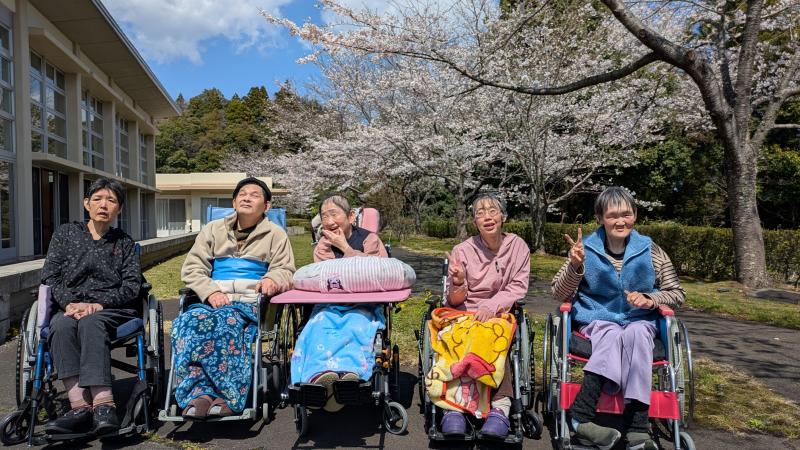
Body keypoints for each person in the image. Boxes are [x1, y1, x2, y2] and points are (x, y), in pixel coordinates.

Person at [552, 187, 685, 450]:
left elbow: (677, 293)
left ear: (635, 215)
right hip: (597, 319)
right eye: (613, 215)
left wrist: (650, 299)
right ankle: (582, 418)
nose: (620, 221)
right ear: (600, 217)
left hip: (639, 321)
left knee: (636, 335)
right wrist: (576, 267)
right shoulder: (585, 249)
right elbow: (559, 293)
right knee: (612, 336)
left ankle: (637, 428)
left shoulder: (651, 250)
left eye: (626, 214)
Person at [174, 177, 295, 419]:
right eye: (242, 194)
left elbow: (285, 269)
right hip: (211, 300)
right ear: (234, 201)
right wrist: (210, 292)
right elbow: (192, 268)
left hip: (249, 303)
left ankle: (228, 395)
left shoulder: (276, 234)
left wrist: (273, 279)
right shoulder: (213, 230)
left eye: (254, 195)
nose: (247, 197)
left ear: (267, 206)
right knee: (187, 322)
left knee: (226, 322)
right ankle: (198, 394)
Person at [42, 178, 142, 435]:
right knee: (62, 325)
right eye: (97, 199)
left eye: (111, 200)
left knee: (91, 322)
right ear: (87, 203)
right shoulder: (65, 234)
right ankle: (79, 406)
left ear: (119, 208)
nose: (103, 205)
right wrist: (70, 303)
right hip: (70, 305)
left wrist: (98, 304)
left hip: (110, 309)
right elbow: (50, 276)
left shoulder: (124, 243)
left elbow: (132, 286)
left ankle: (103, 404)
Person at [440, 193, 530, 439]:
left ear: (503, 216)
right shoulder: (462, 250)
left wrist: (492, 306)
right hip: (466, 312)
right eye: (480, 213)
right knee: (458, 338)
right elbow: (454, 299)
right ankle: (454, 408)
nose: (487, 216)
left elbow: (518, 287)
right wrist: (458, 283)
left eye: (492, 211)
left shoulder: (518, 246)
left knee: (496, 337)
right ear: (474, 222)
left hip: (500, 312)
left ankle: (500, 408)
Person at [292, 195, 388, 412]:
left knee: (356, 325)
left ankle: (350, 376)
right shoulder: (322, 246)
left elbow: (376, 271)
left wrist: (345, 247)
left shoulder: (370, 240)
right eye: (324, 216)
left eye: (334, 214)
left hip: (363, 306)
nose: (329, 221)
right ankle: (319, 379)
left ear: (351, 216)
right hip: (329, 305)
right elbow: (327, 276)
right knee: (319, 325)